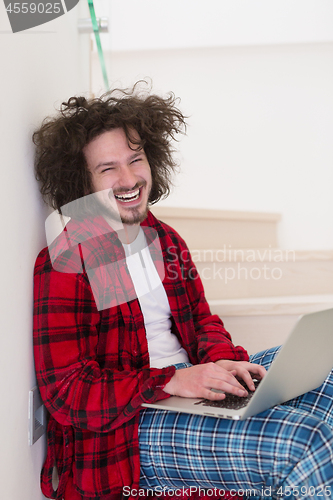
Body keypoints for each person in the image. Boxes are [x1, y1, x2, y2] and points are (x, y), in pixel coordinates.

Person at [33, 84, 333, 500]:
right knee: (303, 443)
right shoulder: (71, 256)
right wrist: (173, 380)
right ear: (81, 182)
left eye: (135, 160)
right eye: (108, 169)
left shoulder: (162, 236)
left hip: (189, 389)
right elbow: (68, 391)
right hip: (130, 431)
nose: (129, 178)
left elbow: (202, 321)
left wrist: (221, 362)